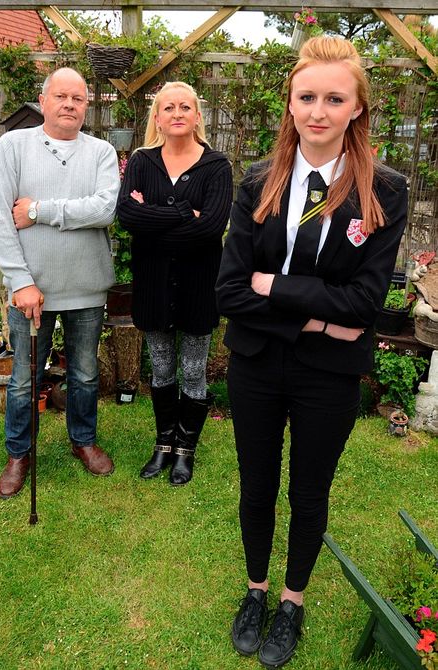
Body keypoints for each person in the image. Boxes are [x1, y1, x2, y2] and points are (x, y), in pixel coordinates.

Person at [215, 37, 408, 668]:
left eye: (334, 98)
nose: (318, 110)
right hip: (256, 365)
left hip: (330, 377)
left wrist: (276, 289)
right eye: (307, 97)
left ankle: (292, 599)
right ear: (290, 105)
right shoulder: (256, 183)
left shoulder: (384, 190)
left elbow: (365, 303)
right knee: (258, 483)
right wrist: (316, 319)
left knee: (309, 491)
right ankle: (256, 589)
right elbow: (230, 291)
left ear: (357, 108)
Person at [0, 67, 120, 499]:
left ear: (87, 106)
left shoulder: (100, 152)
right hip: (31, 290)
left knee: (83, 373)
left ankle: (83, 441)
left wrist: (40, 210)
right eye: (60, 96)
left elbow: (103, 210)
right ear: (43, 102)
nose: (69, 104)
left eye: (77, 99)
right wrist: (20, 280)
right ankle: (18, 453)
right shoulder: (13, 146)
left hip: (86, 286)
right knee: (25, 377)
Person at [116, 81, 233, 486]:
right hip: (153, 284)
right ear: (158, 118)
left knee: (194, 370)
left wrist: (156, 216)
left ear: (197, 115)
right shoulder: (142, 161)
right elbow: (127, 217)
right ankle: (163, 443)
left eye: (186, 106)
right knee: (162, 368)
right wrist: (186, 212)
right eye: (169, 107)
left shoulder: (216, 166)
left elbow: (212, 228)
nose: (178, 113)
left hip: (199, 285)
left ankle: (186, 450)